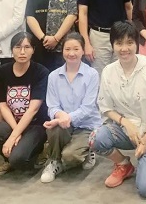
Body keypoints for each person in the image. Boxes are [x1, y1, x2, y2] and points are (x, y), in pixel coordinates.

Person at [89, 21, 146, 198]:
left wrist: (145, 141)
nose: (124, 49)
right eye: (119, 43)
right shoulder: (108, 71)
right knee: (95, 138)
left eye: (129, 42)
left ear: (137, 44)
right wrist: (126, 123)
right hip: (125, 132)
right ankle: (124, 164)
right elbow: (105, 107)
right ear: (112, 45)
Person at [0, 32, 49, 178]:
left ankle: (38, 153)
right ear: (11, 49)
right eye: (18, 47)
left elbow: (33, 109)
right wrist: (16, 133)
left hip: (35, 125)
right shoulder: (2, 72)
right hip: (13, 123)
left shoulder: (41, 72)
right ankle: (8, 160)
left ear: (33, 50)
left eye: (27, 47)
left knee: (19, 159)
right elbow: (2, 105)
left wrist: (13, 137)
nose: (22, 52)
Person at [41, 32, 102, 183]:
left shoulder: (92, 74)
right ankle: (53, 161)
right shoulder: (53, 76)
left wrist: (67, 117)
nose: (71, 53)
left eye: (76, 49)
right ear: (62, 51)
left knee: (70, 156)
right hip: (64, 125)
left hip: (86, 125)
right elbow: (52, 106)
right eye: (67, 49)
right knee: (53, 128)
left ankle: (88, 150)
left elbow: (88, 108)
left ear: (83, 50)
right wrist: (60, 116)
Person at [26, 0, 78, 72]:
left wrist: (56, 38)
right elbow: (30, 17)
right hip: (40, 45)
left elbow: (72, 14)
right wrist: (43, 38)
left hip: (65, 46)